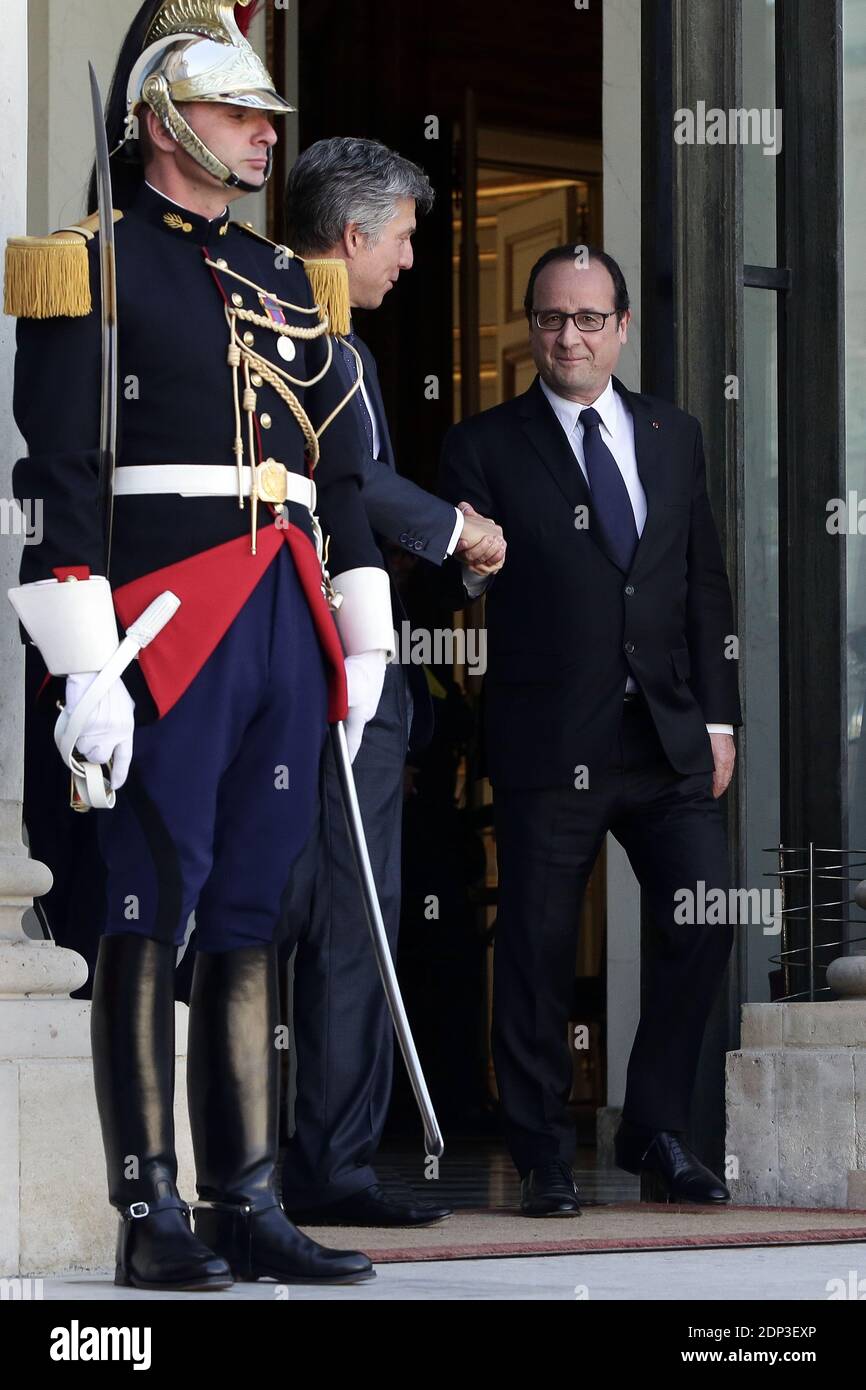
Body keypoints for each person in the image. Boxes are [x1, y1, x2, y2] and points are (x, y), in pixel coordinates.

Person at [8, 0, 393, 1288]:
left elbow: (339, 474)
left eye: (266, 117)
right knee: (147, 901)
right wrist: (84, 660)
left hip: (282, 613)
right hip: (165, 624)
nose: (261, 137)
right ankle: (148, 1211)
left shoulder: (293, 280)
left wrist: (361, 632)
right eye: (238, 113)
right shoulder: (90, 264)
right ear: (165, 122)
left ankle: (245, 1199)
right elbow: (59, 478)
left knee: (250, 913)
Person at [439, 243, 741, 1215]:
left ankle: (654, 1128)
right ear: (532, 327)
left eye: (584, 318)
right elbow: (442, 577)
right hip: (546, 738)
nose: (565, 335)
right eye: (547, 319)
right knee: (530, 949)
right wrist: (469, 565)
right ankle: (541, 1154)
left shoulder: (672, 432)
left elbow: (699, 580)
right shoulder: (481, 444)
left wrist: (720, 718)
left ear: (618, 327)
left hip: (662, 736)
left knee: (701, 915)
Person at [276, 136, 505, 1227]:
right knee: (344, 920)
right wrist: (455, 528)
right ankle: (329, 1162)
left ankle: (292, 1153)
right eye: (405, 235)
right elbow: (352, 486)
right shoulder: (320, 342)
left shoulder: (275, 320)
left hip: (284, 663)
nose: (411, 258)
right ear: (354, 234)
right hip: (324, 670)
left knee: (299, 915)